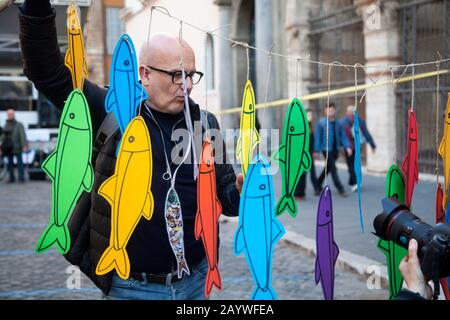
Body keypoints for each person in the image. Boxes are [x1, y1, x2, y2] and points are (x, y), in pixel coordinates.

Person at [18, 0, 243, 300]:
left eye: (192, 75)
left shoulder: (206, 123)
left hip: (195, 281)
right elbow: (47, 72)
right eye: (177, 75)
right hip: (131, 287)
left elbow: (227, 201)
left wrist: (242, 190)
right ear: (145, 74)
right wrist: (36, 6)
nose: (187, 85)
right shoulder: (113, 110)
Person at [313, 102, 352, 197]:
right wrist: (316, 150)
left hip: (336, 150)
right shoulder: (321, 123)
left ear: (334, 111)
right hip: (326, 149)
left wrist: (347, 147)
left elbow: (343, 137)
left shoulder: (339, 123)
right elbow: (318, 137)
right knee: (333, 168)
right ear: (325, 111)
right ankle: (340, 189)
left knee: (328, 168)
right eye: (328, 110)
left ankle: (317, 184)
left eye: (332, 110)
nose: (330, 112)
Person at [340, 106, 376, 192]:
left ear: (347, 112)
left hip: (348, 147)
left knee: (350, 164)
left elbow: (341, 136)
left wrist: (343, 146)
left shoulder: (342, 122)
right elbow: (366, 133)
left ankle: (354, 182)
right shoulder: (360, 121)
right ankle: (354, 181)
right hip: (357, 146)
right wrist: (372, 145)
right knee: (356, 163)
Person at [294, 108, 320, 198]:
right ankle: (298, 193)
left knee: (311, 172)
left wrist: (314, 151)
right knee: (301, 174)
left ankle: (311, 190)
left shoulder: (310, 127)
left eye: (311, 115)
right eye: (309, 115)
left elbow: (312, 141)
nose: (310, 117)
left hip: (309, 154)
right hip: (302, 154)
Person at [1, 108, 28, 183]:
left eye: (11, 114)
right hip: (8, 148)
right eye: (8, 114)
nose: (10, 115)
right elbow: (3, 136)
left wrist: (24, 146)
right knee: (10, 164)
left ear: (13, 114)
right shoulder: (5, 124)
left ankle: (21, 178)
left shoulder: (19, 124)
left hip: (17, 147)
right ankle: (11, 178)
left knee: (20, 163)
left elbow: (22, 135)